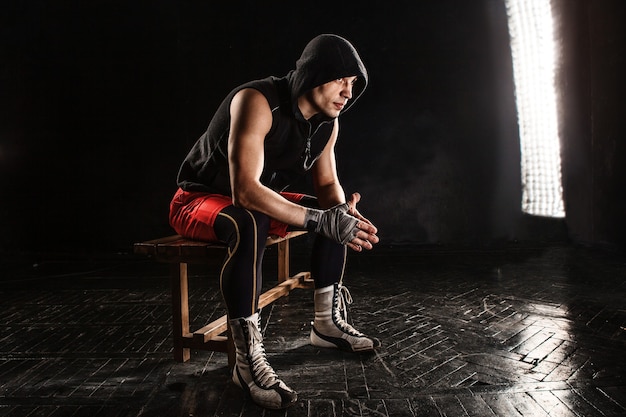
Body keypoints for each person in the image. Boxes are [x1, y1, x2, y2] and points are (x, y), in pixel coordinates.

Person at [169, 34, 380, 410]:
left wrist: (344, 216)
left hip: (256, 204)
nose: (348, 92)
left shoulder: (328, 123)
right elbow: (246, 192)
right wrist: (319, 220)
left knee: (336, 213)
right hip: (196, 201)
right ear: (316, 73)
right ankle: (246, 360)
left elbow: (328, 183)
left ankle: (324, 326)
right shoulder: (258, 100)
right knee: (251, 220)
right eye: (341, 79)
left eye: (353, 84)